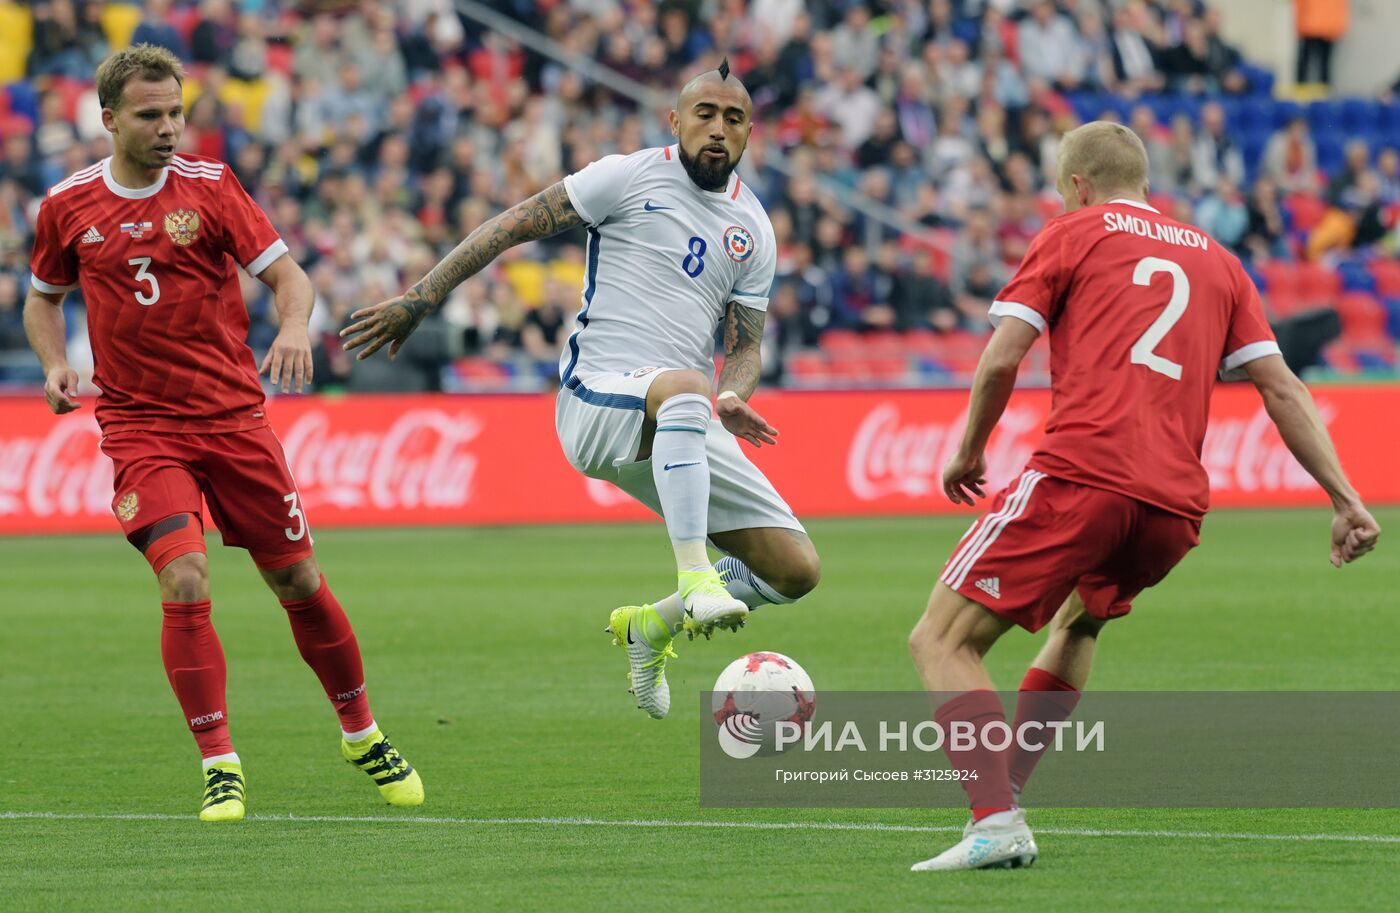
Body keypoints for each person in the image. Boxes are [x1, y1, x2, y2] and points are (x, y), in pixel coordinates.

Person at [906, 121, 1381, 872]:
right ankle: (1005, 800)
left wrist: (968, 449)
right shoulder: (1220, 261)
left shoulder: (1071, 233)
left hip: (1084, 473)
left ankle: (995, 818)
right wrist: (1346, 497)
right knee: (1083, 623)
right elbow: (1282, 386)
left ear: (1077, 185)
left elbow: (1001, 357)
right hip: (1173, 507)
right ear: (1146, 181)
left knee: (942, 639)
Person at [342, 60, 821, 720]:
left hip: (678, 412)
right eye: (704, 114)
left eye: (733, 119)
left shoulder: (754, 228)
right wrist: (422, 297)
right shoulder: (625, 176)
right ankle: (694, 574)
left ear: (748, 133)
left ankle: (652, 626)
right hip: (595, 397)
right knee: (686, 385)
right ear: (675, 121)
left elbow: (744, 346)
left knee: (795, 569)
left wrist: (734, 393)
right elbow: (509, 226)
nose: (718, 129)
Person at [23, 45, 422, 823]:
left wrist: (297, 325)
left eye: (177, 111)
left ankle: (361, 731)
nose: (170, 127)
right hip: (141, 424)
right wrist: (51, 365)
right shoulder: (67, 205)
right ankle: (220, 762)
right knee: (186, 580)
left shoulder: (212, 187)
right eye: (151, 115)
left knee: (298, 582)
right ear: (108, 119)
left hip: (233, 418)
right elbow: (43, 298)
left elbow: (286, 276)